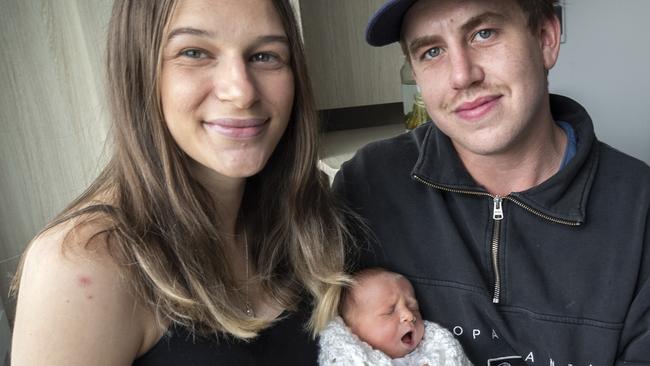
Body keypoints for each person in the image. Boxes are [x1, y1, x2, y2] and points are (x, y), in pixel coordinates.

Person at [11, 0, 353, 365]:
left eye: (265, 56)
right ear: (139, 72)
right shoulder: (82, 265)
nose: (241, 91)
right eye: (194, 52)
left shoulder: (308, 217)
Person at [333, 0, 650, 364]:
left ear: (546, 37)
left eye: (484, 33)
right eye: (432, 51)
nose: (461, 75)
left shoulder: (639, 214)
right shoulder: (367, 185)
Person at [318, 268, 472, 365]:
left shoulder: (438, 349)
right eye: (390, 311)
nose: (409, 315)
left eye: (413, 307)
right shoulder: (346, 360)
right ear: (352, 330)